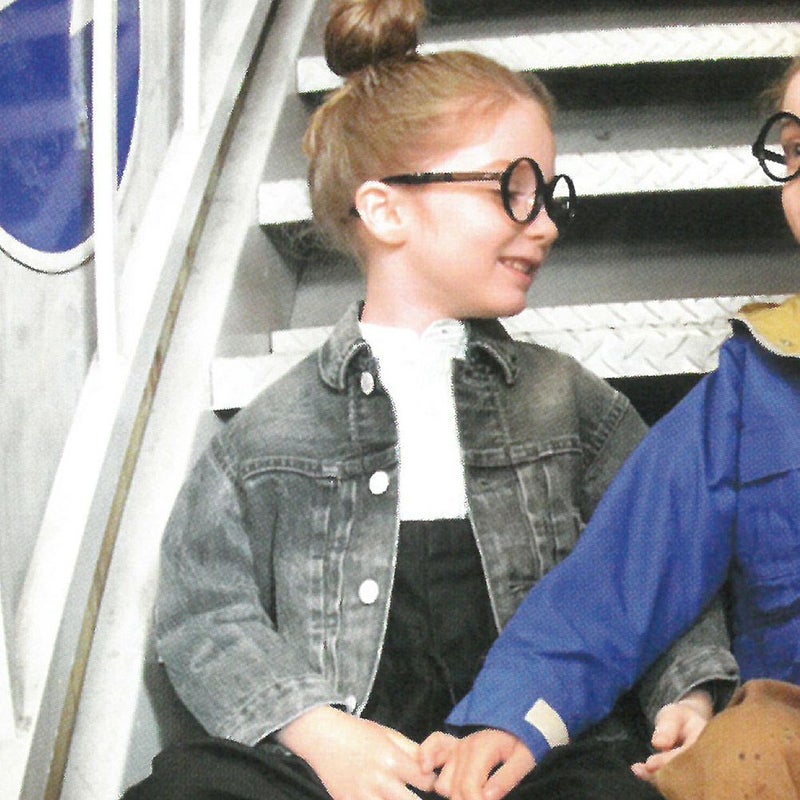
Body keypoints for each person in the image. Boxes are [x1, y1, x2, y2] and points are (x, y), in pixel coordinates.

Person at [121, 2, 737, 799]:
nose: (546, 224)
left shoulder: (572, 404)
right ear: (386, 209)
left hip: (527, 755)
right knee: (183, 788)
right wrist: (314, 729)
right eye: (513, 190)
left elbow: (658, 561)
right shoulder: (273, 432)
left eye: (549, 195)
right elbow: (205, 612)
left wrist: (686, 692)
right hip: (345, 760)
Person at [429, 55, 800, 800]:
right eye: (796, 151)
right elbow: (621, 577)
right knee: (740, 755)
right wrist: (516, 715)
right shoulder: (754, 386)